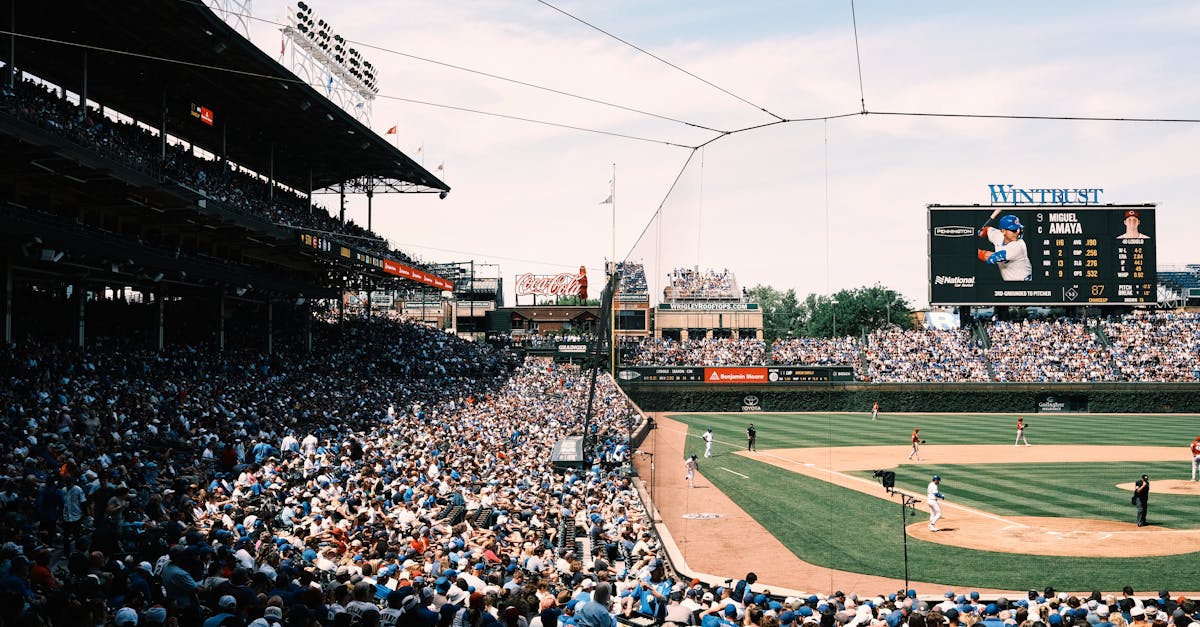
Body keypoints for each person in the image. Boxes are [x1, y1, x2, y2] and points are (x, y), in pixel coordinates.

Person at [977, 214, 1032, 281]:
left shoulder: (1019, 245)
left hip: (1023, 285)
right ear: (1003, 231)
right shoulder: (998, 235)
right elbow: (988, 230)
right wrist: (981, 232)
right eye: (1013, 230)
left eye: (1018, 229)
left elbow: (991, 258)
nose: (1017, 232)